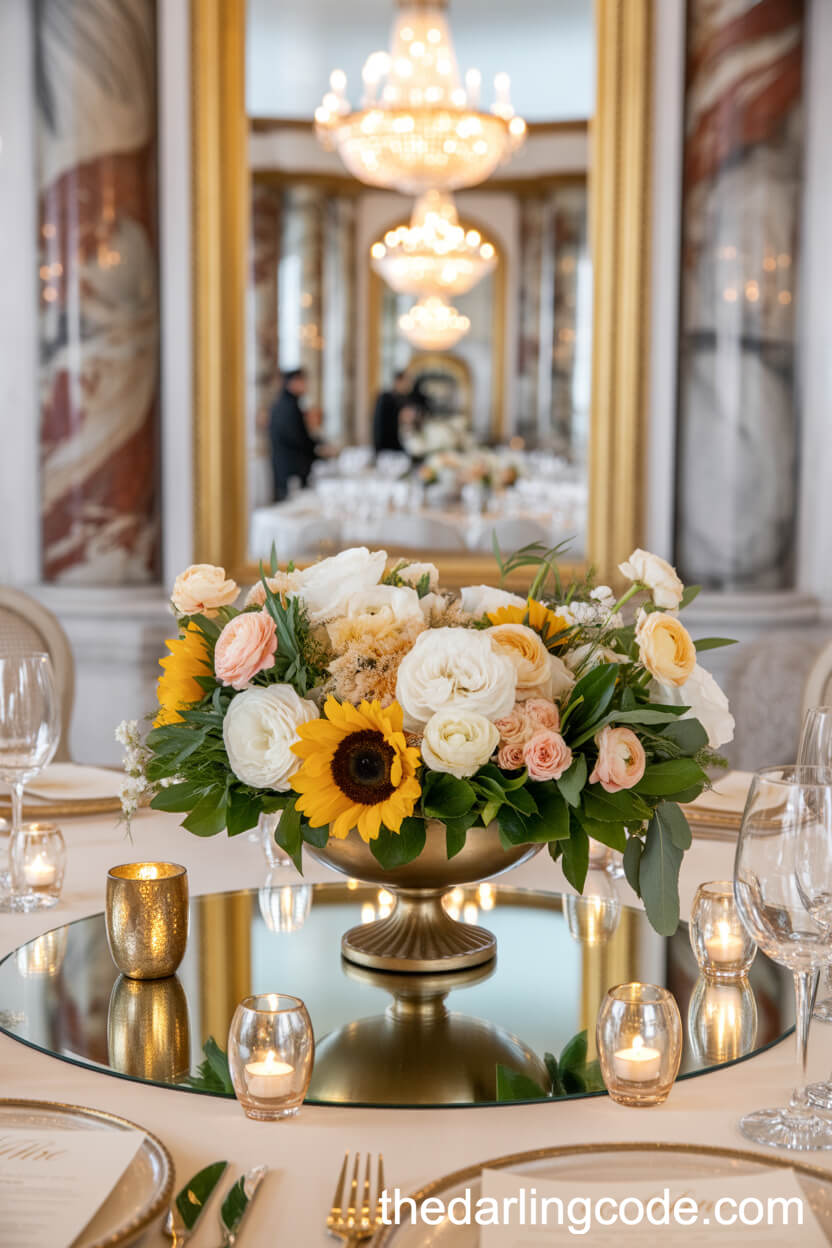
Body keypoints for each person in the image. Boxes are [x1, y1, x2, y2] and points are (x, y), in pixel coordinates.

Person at [269, 368, 319, 501]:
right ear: (293, 382)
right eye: (303, 381)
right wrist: (318, 451)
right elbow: (298, 438)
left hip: (287, 467)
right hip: (291, 469)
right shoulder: (288, 407)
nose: (306, 385)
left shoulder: (285, 403)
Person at [372, 370, 412, 455]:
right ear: (398, 382)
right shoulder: (386, 398)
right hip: (386, 448)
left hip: (393, 446)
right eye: (406, 382)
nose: (408, 386)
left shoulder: (398, 398)